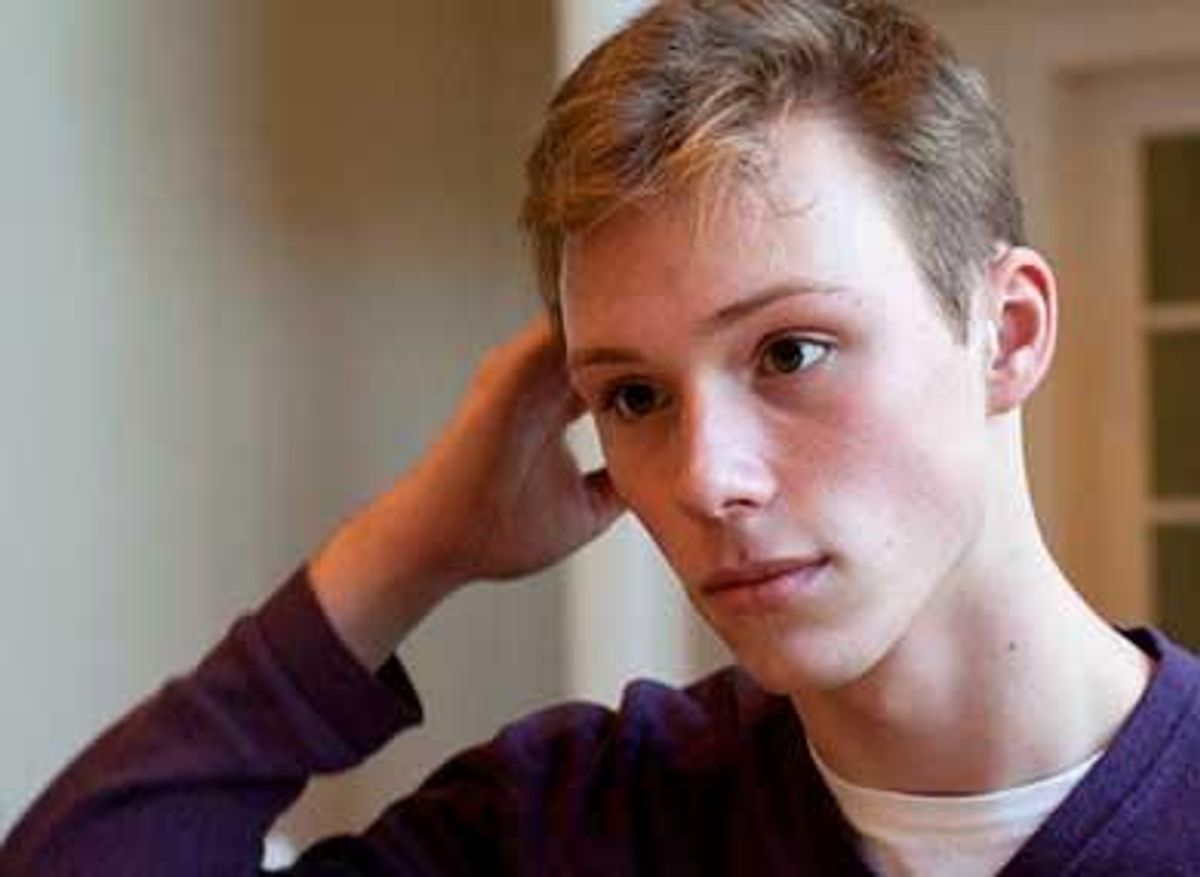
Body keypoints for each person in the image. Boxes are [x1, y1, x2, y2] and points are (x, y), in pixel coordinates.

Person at [3, 0, 1198, 874]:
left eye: (790, 352)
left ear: (1008, 332)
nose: (706, 477)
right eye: (633, 396)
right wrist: (409, 551)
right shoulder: (575, 823)